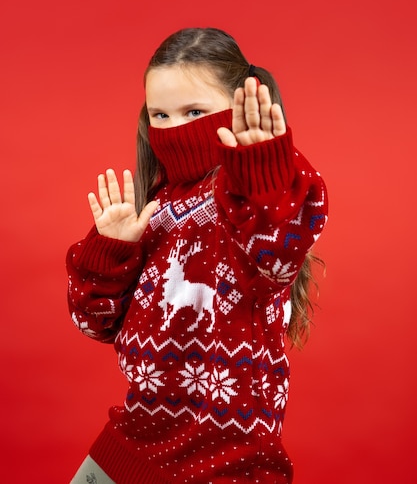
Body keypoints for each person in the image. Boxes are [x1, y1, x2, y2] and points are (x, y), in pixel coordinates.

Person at [67, 27, 328, 484]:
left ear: (240, 105)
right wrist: (111, 248)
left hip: (226, 464)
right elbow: (94, 323)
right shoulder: (156, 207)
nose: (174, 129)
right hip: (130, 447)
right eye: (160, 115)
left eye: (194, 111)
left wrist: (262, 170)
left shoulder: (253, 200)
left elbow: (279, 251)